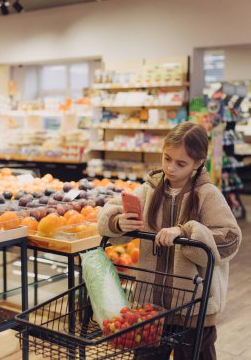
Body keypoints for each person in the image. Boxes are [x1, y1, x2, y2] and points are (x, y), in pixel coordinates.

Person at [97, 121, 242, 360]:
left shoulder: (208, 195)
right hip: (150, 307)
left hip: (194, 309)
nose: (171, 168)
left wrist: (186, 232)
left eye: (181, 163)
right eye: (167, 158)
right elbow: (107, 214)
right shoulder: (149, 189)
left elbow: (230, 239)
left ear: (198, 163)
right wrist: (119, 222)